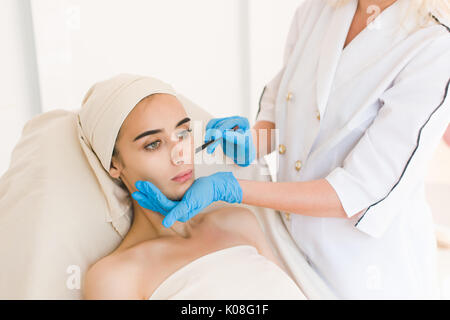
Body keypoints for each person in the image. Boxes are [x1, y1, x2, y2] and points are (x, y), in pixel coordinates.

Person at [133, 0, 450, 299]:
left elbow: (355, 193)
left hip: (363, 270)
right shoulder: (320, 10)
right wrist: (250, 145)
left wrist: (230, 189)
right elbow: (282, 112)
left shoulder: (434, 45)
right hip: (287, 248)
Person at [80, 74, 306, 300]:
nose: (180, 155)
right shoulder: (115, 278)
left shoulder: (239, 222)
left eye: (183, 133)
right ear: (114, 164)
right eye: (153, 144)